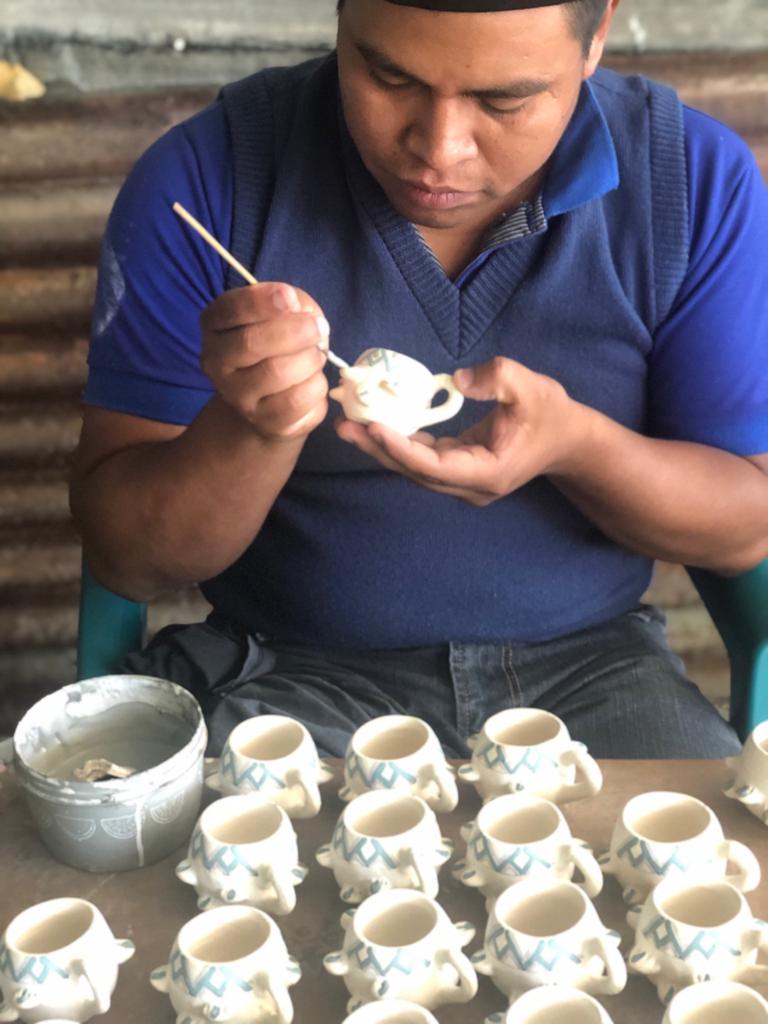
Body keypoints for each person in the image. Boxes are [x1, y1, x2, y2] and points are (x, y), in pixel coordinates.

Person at [69, 0, 768, 760]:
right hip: (287, 670)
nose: (439, 150)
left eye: (504, 100)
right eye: (389, 77)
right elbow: (125, 558)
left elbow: (747, 525)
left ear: (597, 33)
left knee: (706, 834)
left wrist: (578, 449)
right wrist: (253, 429)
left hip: (595, 670)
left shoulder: (688, 183)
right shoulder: (212, 179)